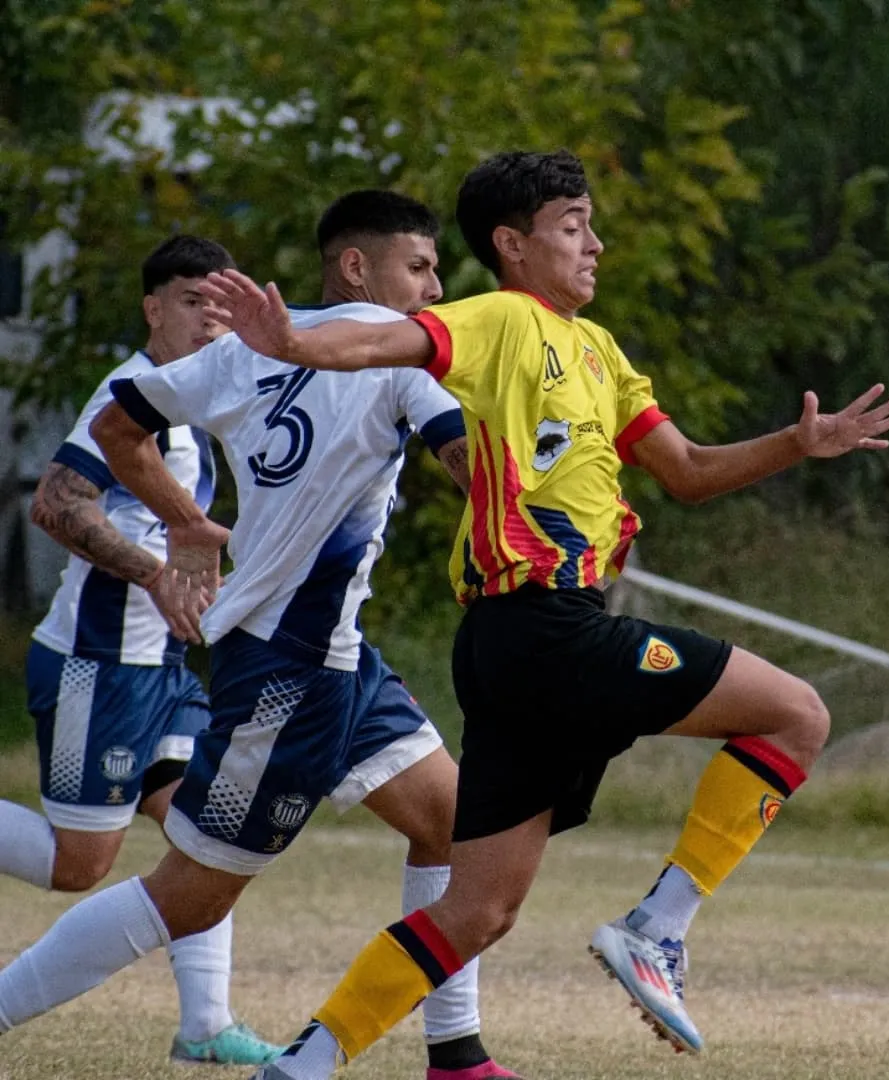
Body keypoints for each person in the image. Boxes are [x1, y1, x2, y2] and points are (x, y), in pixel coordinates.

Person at [195, 148, 889, 1077]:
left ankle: (303, 1064)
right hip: (547, 626)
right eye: (573, 225)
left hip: (508, 646)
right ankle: (656, 930)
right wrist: (292, 340)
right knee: (796, 715)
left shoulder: (601, 352)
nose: (595, 243)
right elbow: (383, 341)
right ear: (513, 244)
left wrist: (796, 443)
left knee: (478, 909)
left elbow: (687, 473)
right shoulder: (500, 319)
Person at [0, 192, 520, 1080]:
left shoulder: (246, 350)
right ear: (358, 269)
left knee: (455, 827)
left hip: (335, 656)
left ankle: (455, 1054)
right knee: (184, 897)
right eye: (421, 267)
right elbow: (477, 472)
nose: (434, 290)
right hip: (287, 670)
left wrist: (191, 524)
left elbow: (120, 429)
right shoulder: (397, 357)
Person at [0, 234, 281, 1065]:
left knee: (210, 834)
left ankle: (204, 1027)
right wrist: (158, 575)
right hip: (99, 664)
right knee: (78, 865)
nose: (210, 319)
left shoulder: (186, 400)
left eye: (222, 303)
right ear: (153, 308)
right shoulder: (124, 397)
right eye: (193, 301)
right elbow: (54, 506)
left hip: (162, 668)